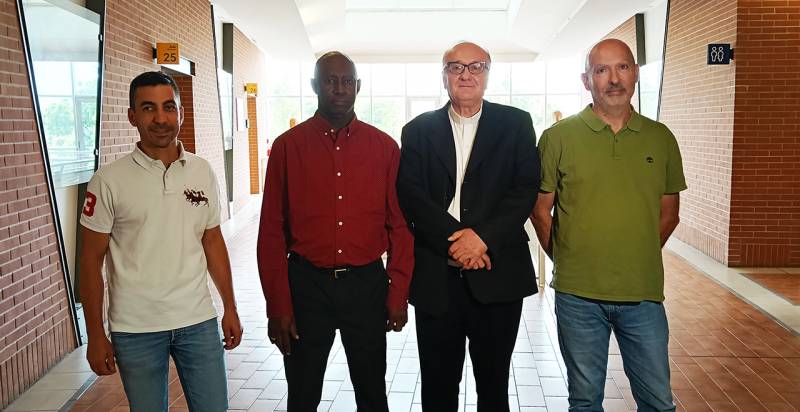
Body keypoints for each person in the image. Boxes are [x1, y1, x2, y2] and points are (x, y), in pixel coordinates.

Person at [531, 38, 686, 411]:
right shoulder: (557, 138)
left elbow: (669, 213)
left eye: (622, 67)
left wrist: (636, 254)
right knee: (585, 401)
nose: (614, 79)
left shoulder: (661, 138)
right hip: (577, 296)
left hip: (643, 293)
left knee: (658, 402)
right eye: (601, 70)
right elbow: (539, 210)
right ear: (587, 80)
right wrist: (566, 259)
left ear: (635, 74)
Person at [257, 51, 414, 412]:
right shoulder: (287, 147)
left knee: (372, 393)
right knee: (302, 394)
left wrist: (398, 292)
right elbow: (271, 232)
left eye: (346, 81)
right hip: (306, 287)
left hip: (366, 287)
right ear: (315, 85)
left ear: (358, 86)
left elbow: (400, 227)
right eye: (330, 81)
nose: (339, 89)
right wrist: (277, 304)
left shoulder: (385, 148)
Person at [79, 71, 242, 412]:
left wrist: (230, 306)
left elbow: (212, 240)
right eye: (148, 108)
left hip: (197, 319)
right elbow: (90, 262)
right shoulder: (108, 181)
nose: (160, 118)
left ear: (180, 113)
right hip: (135, 328)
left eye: (169, 107)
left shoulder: (202, 171)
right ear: (132, 116)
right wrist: (95, 334)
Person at [396, 42, 540, 412]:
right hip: (437, 277)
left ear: (488, 74)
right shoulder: (417, 130)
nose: (466, 74)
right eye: (455, 66)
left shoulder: (516, 123)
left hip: (498, 275)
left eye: (476, 66)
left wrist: (482, 239)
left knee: (493, 388)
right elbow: (411, 194)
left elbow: (525, 189)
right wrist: (458, 243)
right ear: (443, 75)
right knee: (438, 388)